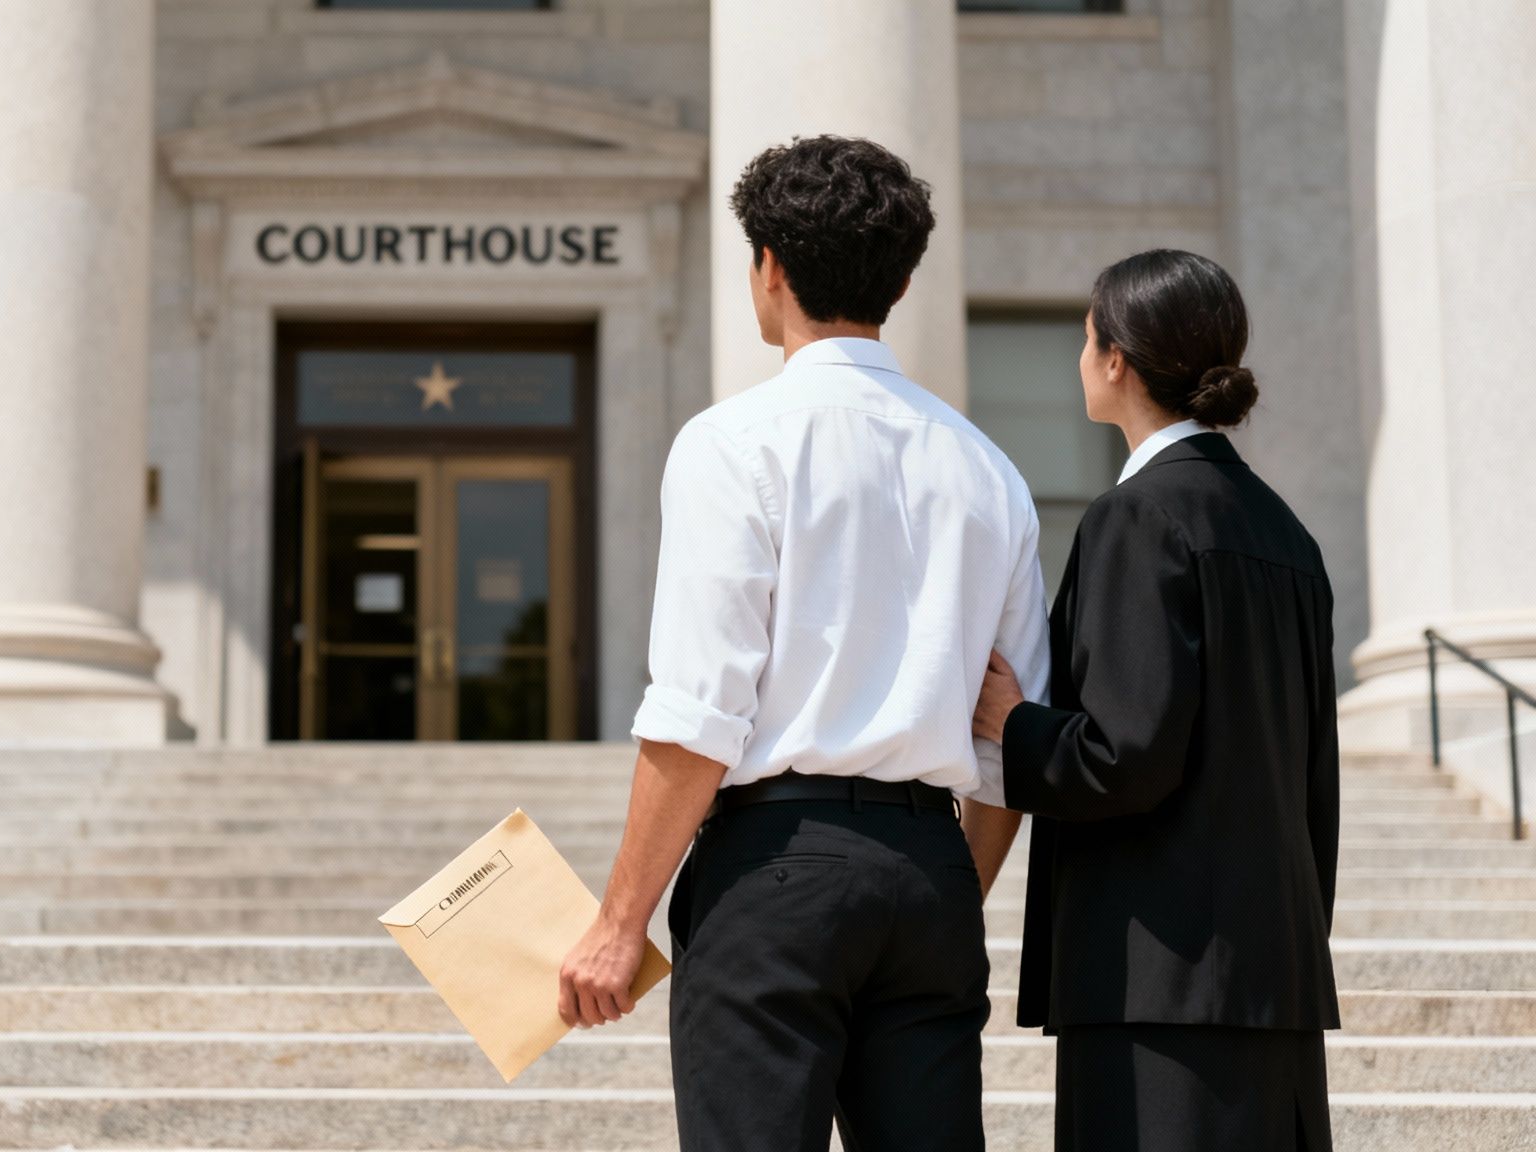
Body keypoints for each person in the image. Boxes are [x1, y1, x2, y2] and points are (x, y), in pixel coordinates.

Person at [556, 134, 1049, 1152]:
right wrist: (943, 888)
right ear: (904, 278)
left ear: (767, 268)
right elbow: (1010, 743)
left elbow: (699, 713)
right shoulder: (988, 469)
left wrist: (618, 925)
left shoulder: (732, 444)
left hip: (771, 866)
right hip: (930, 869)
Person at [973, 249, 1341, 1151]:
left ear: (1116, 361)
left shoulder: (1136, 517)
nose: (1080, 356)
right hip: (1271, 977)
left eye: (1086, 336)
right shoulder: (1285, 531)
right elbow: (1313, 779)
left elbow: (1125, 754)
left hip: (1158, 982)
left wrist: (1014, 726)